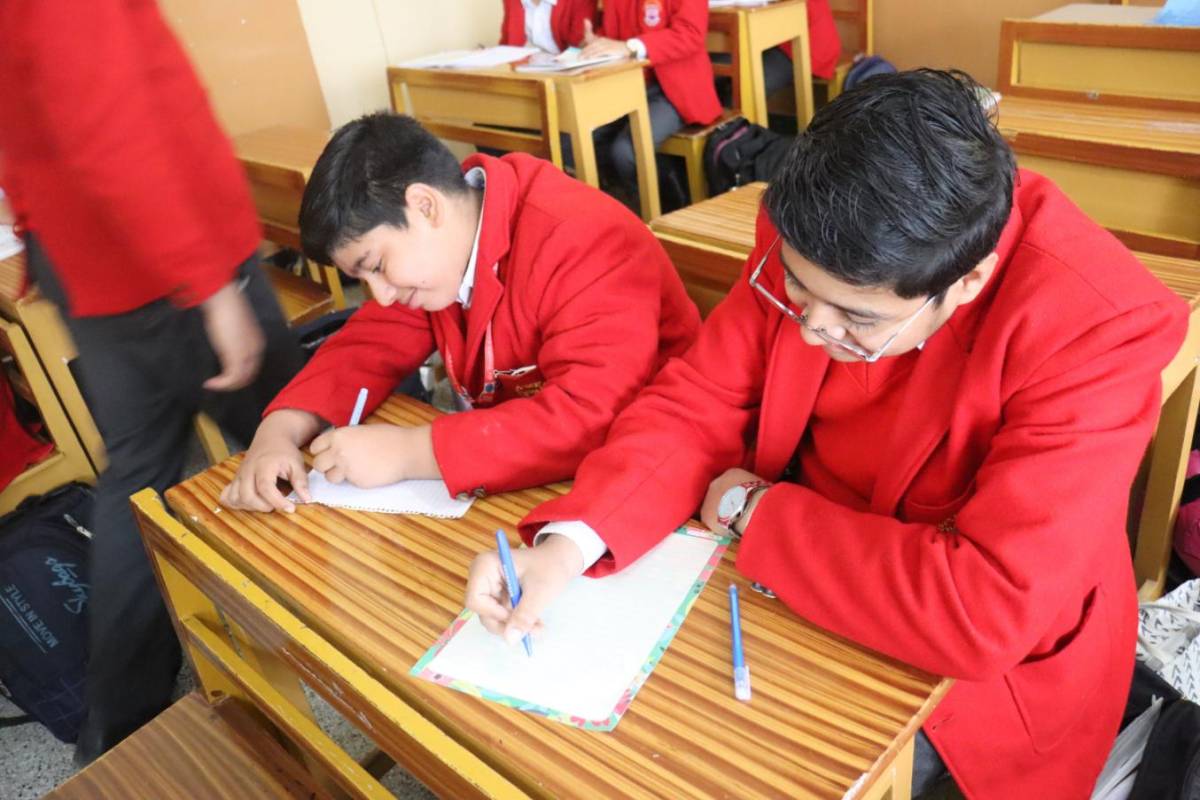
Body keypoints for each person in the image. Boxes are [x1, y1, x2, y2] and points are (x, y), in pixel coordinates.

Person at [464, 70, 1190, 799]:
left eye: (857, 318)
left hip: (969, 670)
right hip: (801, 574)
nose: (811, 329)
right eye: (797, 292)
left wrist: (753, 510)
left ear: (967, 284)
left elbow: (984, 610)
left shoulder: (1094, 327)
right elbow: (699, 398)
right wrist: (568, 546)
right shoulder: (813, 238)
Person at [0, 0, 303, 762]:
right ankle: (379, 635)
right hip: (165, 262)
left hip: (92, 259)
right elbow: (113, 128)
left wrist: (35, 218)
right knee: (296, 428)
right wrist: (210, 286)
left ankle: (118, 722)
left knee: (139, 478)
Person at [221, 113, 699, 512]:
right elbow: (368, 344)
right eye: (363, 280)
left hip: (644, 473)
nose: (380, 295)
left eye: (377, 266)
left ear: (425, 206)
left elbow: (587, 417)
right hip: (525, 467)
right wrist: (278, 431)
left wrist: (412, 451)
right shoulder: (446, 250)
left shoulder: (582, 239)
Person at [576, 0, 723, 203]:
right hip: (626, 84)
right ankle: (612, 205)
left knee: (627, 150)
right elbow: (613, 36)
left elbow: (690, 33)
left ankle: (656, 209)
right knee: (578, 138)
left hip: (675, 90)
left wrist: (630, 47)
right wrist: (596, 44)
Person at [500, 0, 598, 54]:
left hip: (566, 74)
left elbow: (579, 46)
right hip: (528, 73)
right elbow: (508, 43)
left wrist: (584, 45)